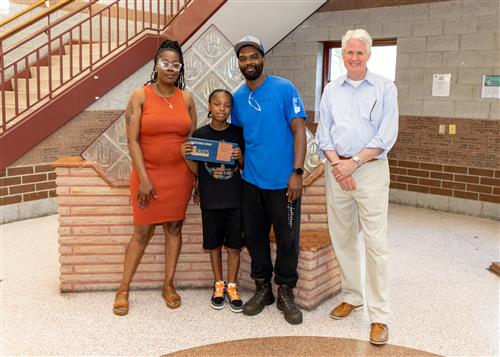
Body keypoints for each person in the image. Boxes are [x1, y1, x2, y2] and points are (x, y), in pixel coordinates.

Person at [316, 29, 399, 345]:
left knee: (376, 244)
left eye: (359, 53)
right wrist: (340, 165)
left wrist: (355, 163)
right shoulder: (331, 89)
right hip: (337, 170)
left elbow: (385, 135)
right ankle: (353, 295)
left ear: (368, 55)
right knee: (343, 237)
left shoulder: (384, 88)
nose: (353, 58)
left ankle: (379, 316)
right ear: (342, 54)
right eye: (348, 52)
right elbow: (324, 133)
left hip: (370, 171)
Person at [113, 39, 197, 315]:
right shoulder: (140, 95)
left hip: (180, 176)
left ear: (180, 67)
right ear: (156, 65)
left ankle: (169, 285)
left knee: (174, 228)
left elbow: (191, 140)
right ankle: (123, 288)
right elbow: (132, 140)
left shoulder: (186, 98)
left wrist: (195, 175)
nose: (171, 68)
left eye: (176, 64)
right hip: (147, 174)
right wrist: (144, 178)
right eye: (165, 63)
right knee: (142, 232)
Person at [231, 35, 307, 325]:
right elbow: (238, 137)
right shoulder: (237, 98)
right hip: (251, 182)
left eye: (253, 56)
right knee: (255, 237)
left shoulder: (284, 89)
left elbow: (299, 131)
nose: (248, 62)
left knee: (288, 239)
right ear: (239, 63)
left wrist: (297, 173)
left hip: (284, 183)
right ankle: (264, 290)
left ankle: (286, 291)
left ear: (263, 58)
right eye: (243, 58)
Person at [180, 89, 245, 312]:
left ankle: (233, 286)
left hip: (235, 199)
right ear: (209, 106)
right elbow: (197, 170)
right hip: (211, 200)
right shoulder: (199, 135)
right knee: (214, 245)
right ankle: (219, 284)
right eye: (217, 104)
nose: (222, 109)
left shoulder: (238, 133)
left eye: (227, 105)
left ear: (231, 109)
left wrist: (240, 157)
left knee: (234, 246)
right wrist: (185, 155)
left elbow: (245, 167)